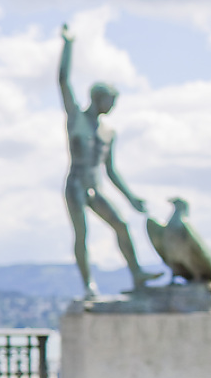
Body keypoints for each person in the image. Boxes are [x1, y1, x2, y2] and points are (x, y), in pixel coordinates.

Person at [58, 23, 158, 298]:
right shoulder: (77, 119)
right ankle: (88, 284)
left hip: (96, 186)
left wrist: (131, 197)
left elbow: (111, 170)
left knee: (122, 226)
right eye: (110, 100)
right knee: (83, 235)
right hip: (77, 184)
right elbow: (63, 80)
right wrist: (68, 44)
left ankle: (137, 274)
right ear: (98, 98)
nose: (112, 106)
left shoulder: (108, 132)